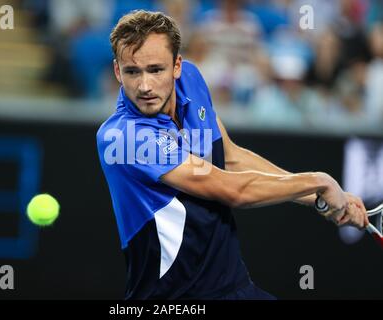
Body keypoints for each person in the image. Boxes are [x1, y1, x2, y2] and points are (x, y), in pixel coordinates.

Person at [96, 10, 369, 300]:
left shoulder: (191, 79)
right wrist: (319, 182)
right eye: (132, 72)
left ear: (177, 66)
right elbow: (232, 189)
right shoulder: (123, 136)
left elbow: (231, 156)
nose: (145, 85)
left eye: (155, 69)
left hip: (233, 287)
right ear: (117, 71)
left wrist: (316, 199)